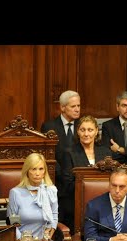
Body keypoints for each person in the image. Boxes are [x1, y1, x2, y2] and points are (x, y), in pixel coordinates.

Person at [60, 115, 111, 232]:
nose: (86, 134)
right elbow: (67, 184)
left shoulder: (106, 152)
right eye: (83, 130)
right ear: (78, 131)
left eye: (90, 130)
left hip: (102, 203)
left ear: (96, 131)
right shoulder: (70, 153)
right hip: (77, 205)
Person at [40, 90, 80, 230]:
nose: (77, 109)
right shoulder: (49, 126)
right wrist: (62, 174)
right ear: (63, 108)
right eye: (73, 106)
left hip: (78, 182)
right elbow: (48, 156)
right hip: (59, 183)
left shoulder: (83, 126)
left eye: (78, 106)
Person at [7, 152, 58, 241]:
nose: (37, 173)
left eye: (41, 169)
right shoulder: (16, 193)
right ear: (27, 171)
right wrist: (23, 240)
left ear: (45, 171)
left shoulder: (50, 190)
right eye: (33, 169)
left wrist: (50, 232)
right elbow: (12, 224)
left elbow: (54, 215)